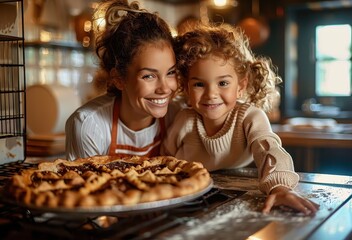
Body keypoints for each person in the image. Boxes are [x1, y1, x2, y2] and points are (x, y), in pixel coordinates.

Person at [161, 23, 319, 215]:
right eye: (199, 84)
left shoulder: (250, 117)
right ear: (185, 88)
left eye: (223, 83)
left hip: (228, 197)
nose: (211, 94)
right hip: (186, 197)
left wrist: (280, 188)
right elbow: (164, 161)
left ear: (241, 85)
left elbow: (270, 151)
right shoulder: (184, 120)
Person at [66, 0, 182, 160]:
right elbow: (88, 183)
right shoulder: (89, 125)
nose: (164, 88)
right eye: (149, 76)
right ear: (119, 79)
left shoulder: (178, 116)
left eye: (170, 72)